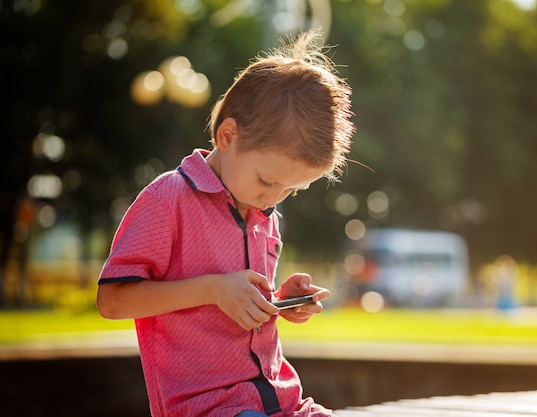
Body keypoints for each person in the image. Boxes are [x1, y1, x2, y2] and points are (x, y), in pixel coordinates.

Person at [96, 29, 355, 417]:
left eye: (292, 190)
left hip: (281, 400)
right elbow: (112, 300)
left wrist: (279, 301)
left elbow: (237, 302)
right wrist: (213, 290)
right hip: (209, 407)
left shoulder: (262, 212)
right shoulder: (167, 200)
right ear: (228, 135)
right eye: (268, 181)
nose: (274, 199)